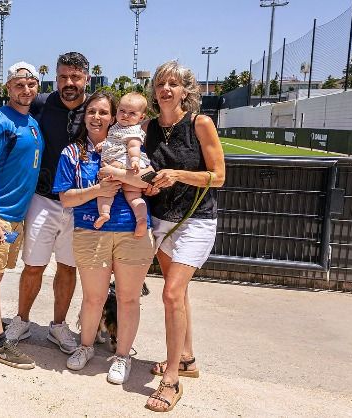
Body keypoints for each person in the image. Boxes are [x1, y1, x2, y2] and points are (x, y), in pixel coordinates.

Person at [51, 90, 155, 385]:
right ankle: (86, 346)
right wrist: (98, 190)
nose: (97, 117)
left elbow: (147, 178)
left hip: (131, 231)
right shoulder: (73, 152)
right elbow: (66, 198)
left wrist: (115, 174)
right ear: (84, 116)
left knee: (128, 298)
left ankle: (122, 356)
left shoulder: (130, 142)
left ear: (113, 118)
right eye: (91, 111)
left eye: (103, 112)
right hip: (90, 231)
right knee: (93, 298)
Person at [142, 60, 226, 413]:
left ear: (185, 91)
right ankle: (187, 358)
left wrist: (177, 174)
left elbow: (218, 176)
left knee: (171, 293)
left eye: (173, 84)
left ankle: (172, 379)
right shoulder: (147, 127)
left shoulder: (200, 123)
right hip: (161, 220)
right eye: (161, 83)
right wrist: (148, 185)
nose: (166, 89)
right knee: (179, 294)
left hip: (196, 221)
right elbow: (145, 171)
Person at [1, 52, 90, 355]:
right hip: (43, 198)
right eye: (63, 77)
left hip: (79, 202)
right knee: (33, 265)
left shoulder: (95, 108)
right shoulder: (41, 104)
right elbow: (10, 115)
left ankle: (58, 326)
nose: (69, 82)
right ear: (56, 78)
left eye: (75, 77)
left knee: (67, 266)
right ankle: (22, 320)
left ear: (86, 78)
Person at [0, 61, 43, 369]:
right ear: (8, 88)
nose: (25, 89)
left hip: (15, 213)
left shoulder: (31, 120)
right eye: (19, 84)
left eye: (30, 84)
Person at [94, 92, 154, 237]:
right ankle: (139, 219)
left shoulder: (134, 131)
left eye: (132, 113)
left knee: (105, 189)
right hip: (123, 165)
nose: (125, 115)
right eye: (122, 111)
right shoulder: (116, 127)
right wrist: (103, 144)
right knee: (133, 196)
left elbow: (133, 147)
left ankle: (105, 212)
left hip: (123, 163)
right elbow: (112, 141)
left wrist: (134, 160)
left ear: (141, 117)